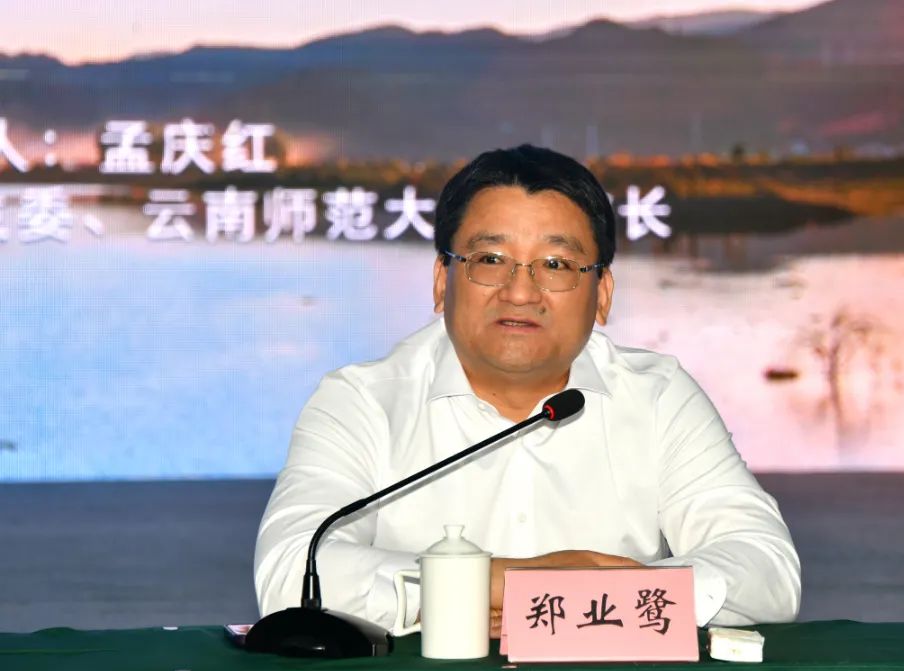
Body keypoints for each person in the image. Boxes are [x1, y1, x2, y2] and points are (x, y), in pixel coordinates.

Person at [254, 144, 800, 636]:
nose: (520, 291)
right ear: (442, 280)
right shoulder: (362, 402)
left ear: (602, 293)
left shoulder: (658, 397)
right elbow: (291, 573)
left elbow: (767, 570)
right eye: (491, 260)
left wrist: (598, 596)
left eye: (556, 264)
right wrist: (504, 583)